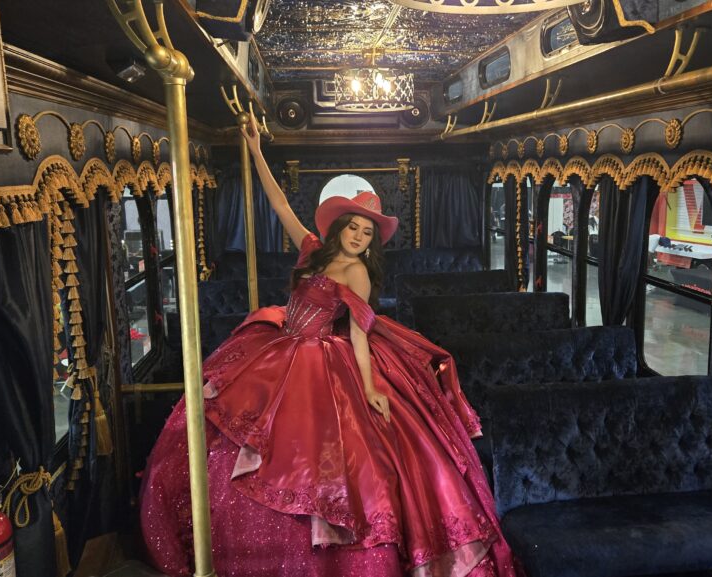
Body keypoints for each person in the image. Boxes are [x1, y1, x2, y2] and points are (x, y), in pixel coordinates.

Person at [138, 115, 516, 577]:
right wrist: (256, 151)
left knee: (319, 461)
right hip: (278, 346)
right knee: (231, 437)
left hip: (321, 357)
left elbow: (358, 334)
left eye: (367, 233)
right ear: (338, 228)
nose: (359, 237)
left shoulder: (357, 273)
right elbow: (278, 205)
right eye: (353, 227)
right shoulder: (312, 248)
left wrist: (372, 386)